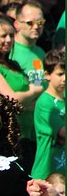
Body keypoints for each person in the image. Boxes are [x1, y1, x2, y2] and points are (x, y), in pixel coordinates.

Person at [0, 14, 44, 171]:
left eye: (11, 35)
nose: (8, 40)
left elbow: (29, 102)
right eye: (3, 36)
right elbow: (11, 99)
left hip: (28, 134)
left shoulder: (12, 64)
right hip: (8, 138)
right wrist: (34, 90)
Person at [31, 47, 65, 181]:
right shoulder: (45, 102)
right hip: (46, 173)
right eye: (60, 74)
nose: (64, 79)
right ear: (47, 75)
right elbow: (63, 133)